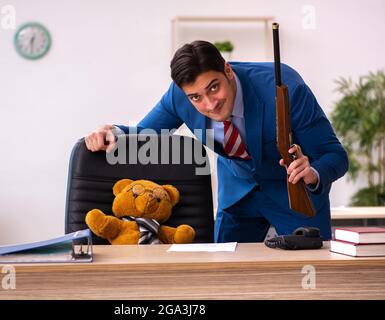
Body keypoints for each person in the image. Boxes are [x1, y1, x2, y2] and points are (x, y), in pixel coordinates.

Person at [85, 40, 348, 242]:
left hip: (294, 196)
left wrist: (312, 172)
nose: (209, 104)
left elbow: (335, 156)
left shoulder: (286, 87)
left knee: (311, 278)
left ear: (227, 70)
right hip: (237, 196)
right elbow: (146, 134)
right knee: (225, 280)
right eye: (196, 97)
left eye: (214, 87)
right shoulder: (179, 97)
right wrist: (112, 132)